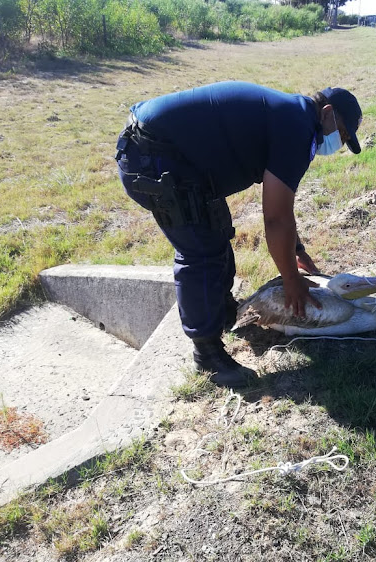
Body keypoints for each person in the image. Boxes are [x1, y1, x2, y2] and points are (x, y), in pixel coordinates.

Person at [115, 81, 362, 388]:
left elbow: (282, 205)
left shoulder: (294, 117)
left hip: (174, 155)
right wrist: (291, 280)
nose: (336, 141)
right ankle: (207, 355)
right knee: (201, 251)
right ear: (326, 113)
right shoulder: (297, 128)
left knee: (216, 237)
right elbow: (275, 218)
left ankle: (222, 314)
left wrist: (295, 250)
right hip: (153, 155)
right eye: (341, 132)